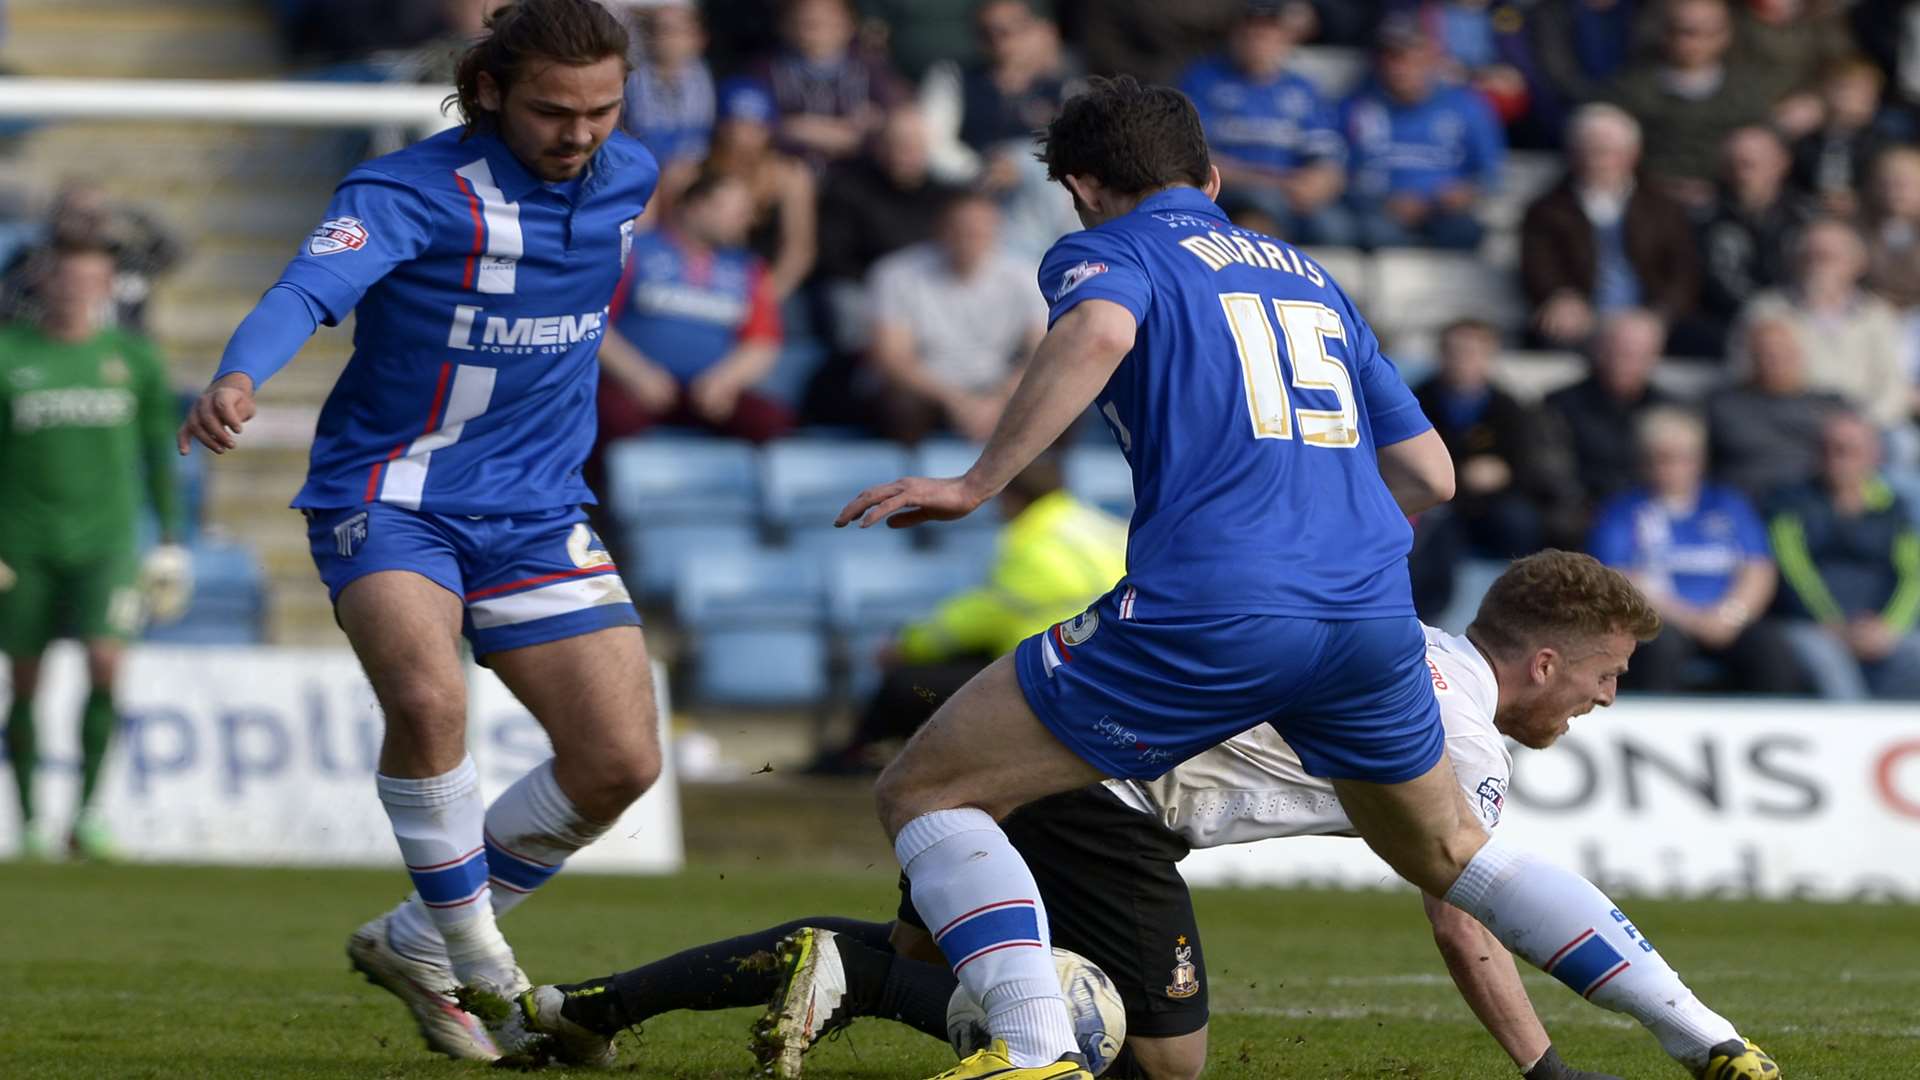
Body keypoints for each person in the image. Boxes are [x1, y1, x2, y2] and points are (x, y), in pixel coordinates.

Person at [832, 76, 1776, 1080]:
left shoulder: (1108, 249)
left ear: (1083, 187)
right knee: (1458, 852)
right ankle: (1709, 1040)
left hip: (1215, 600)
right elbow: (1432, 474)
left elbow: (1101, 333)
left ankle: (1035, 1052)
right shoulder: (1306, 273)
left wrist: (981, 480)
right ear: (1213, 174)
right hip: (1373, 613)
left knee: (929, 788)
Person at [499, 554, 1755, 1080]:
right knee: (1161, 1062)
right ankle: (860, 990)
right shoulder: (1462, 738)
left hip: (1045, 759)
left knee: (928, 961)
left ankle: (594, 1011)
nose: (1601, 702)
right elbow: (1466, 917)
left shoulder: (1408, 645)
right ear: (1544, 662)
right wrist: (1545, 1069)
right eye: (1605, 677)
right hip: (1113, 804)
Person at [176, 0, 663, 1063]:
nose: (581, 134)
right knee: (430, 696)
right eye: (553, 112)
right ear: (487, 90)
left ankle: (414, 938)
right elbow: (307, 287)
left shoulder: (632, 175)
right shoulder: (404, 192)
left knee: (620, 761)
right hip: (389, 492)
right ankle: (482, 971)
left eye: (602, 110)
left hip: (538, 508)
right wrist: (239, 375)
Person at [0, 239, 189, 861]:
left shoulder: (133, 359)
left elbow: (158, 453)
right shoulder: (9, 357)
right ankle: (29, 819)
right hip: (22, 544)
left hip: (106, 543)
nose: (79, 291)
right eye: (68, 279)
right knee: (25, 680)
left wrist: (168, 539)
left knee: (106, 664)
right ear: (47, 284)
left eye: (92, 280)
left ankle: (88, 814)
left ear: (108, 287)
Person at [810, 455, 1127, 774]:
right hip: (1110, 670)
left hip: (1051, 677)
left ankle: (866, 756)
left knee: (907, 685)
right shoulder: (1097, 525)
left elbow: (984, 615)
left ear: (1011, 496)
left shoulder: (1034, 540)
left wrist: (908, 644)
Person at [1586, 407, 1803, 695]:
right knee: (1659, 649)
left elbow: (1758, 569)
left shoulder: (1728, 505)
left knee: (1771, 649)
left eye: (1682, 458)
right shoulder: (1623, 511)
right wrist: (1693, 620)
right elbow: (1619, 579)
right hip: (1662, 623)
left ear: (1699, 461)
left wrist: (1731, 616)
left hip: (1728, 620)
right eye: (1662, 459)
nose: (1672, 468)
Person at [592, 172, 794, 452]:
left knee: (770, 420)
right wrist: (637, 375)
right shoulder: (634, 252)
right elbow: (594, 324)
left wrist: (725, 381)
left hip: (710, 393)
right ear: (697, 206)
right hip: (635, 386)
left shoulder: (748, 268)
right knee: (608, 417)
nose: (746, 221)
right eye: (736, 212)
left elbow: (762, 342)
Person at [1408, 318, 1579, 618]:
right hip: (1441, 503)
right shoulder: (1417, 401)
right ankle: (1425, 621)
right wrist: (1464, 474)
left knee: (1522, 522)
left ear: (1489, 357)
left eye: (1473, 352)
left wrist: (1505, 473)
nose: (1463, 360)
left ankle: (1524, 609)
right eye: (1455, 351)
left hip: (1496, 504)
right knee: (1434, 535)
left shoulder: (1509, 407)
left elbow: (1527, 463)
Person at [867, 192, 1045, 443]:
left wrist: (998, 399)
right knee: (899, 406)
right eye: (962, 230)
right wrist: (957, 401)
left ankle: (1040, 478)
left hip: (997, 385)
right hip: (929, 389)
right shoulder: (896, 274)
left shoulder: (1026, 276)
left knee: (1054, 399)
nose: (970, 240)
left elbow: (1040, 351)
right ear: (941, 230)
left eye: (980, 231)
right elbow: (892, 357)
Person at [1519, 103, 1699, 353]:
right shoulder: (1546, 210)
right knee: (1549, 337)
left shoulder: (1664, 208)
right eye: (1587, 151)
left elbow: (1683, 271)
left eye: (1605, 152)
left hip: (1652, 316)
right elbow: (1540, 267)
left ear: (1632, 154)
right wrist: (1560, 296)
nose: (1596, 162)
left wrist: (1659, 315)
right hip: (1583, 318)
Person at [1767, 409, 1920, 700]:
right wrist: (1835, 624)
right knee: (1827, 660)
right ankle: (1855, 736)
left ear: (1873, 456)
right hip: (1813, 625)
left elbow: (1913, 576)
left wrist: (1890, 626)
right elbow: (1794, 572)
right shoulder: (1790, 503)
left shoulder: (1894, 509)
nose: (1837, 458)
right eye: (1829, 449)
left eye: (1848, 450)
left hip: (1881, 627)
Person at [1176, 0, 1349, 243]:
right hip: (1233, 192)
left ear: (1285, 38)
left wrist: (1317, 184)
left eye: (1268, 31)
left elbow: (1329, 158)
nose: (1258, 38)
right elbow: (1193, 157)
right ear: (1235, 34)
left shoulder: (1303, 90)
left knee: (1335, 227)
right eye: (1251, 30)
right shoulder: (1203, 80)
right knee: (1260, 207)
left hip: (1294, 195)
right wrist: (1273, 183)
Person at [1340, 15, 1505, 250]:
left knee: (1466, 231)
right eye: (1391, 57)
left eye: (1409, 57)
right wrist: (1380, 201)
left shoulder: (1466, 105)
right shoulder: (1356, 106)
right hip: (1378, 211)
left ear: (1431, 58)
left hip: (1443, 212)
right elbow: (1339, 171)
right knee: (1365, 231)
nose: (1399, 68)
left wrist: (1464, 193)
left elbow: (1490, 171)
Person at [1737, 216, 1909, 434]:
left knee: (1903, 444)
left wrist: (1861, 425)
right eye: (1809, 256)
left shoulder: (1878, 315)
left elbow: (1892, 386)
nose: (1817, 265)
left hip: (1864, 427)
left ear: (1857, 264)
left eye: (1829, 257)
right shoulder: (1765, 310)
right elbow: (1742, 372)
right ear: (1794, 261)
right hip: (1786, 422)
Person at [1607, 0, 1773, 210]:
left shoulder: (1745, 93)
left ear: (1726, 35)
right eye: (1686, 31)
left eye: (1708, 32)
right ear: (1666, 32)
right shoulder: (1633, 90)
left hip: (1728, 205)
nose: (1696, 42)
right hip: (1644, 204)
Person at [1542, 308, 1678, 515]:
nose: (1626, 362)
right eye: (1619, 351)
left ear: (1654, 357)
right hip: (1585, 511)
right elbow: (1554, 473)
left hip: (1652, 511)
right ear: (1599, 350)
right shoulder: (1561, 404)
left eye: (1638, 354)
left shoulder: (1670, 409)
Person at [746, 0, 906, 171]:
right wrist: (834, 132)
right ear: (785, 25)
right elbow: (754, 126)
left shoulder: (870, 68)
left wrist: (801, 127)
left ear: (849, 25)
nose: (817, 25)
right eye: (807, 21)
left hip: (860, 172)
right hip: (789, 168)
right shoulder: (765, 70)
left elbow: (893, 116)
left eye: (828, 20)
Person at [1696, 126, 1815, 355]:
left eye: (1751, 164)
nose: (1742, 173)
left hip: (1799, 327)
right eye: (1734, 164)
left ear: (1781, 163)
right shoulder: (1702, 220)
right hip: (1724, 328)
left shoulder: (1809, 220)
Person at [1706, 314, 1848, 503]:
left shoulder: (1830, 405)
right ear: (1751, 357)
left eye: (1784, 352)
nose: (1776, 360)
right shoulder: (1722, 405)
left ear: (1799, 354)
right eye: (1766, 353)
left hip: (1812, 509)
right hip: (1744, 508)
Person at [701, 77, 818, 302]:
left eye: (755, 126)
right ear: (721, 126)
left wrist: (764, 299)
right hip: (700, 280)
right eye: (736, 125)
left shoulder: (790, 177)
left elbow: (799, 251)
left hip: (769, 284)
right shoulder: (691, 171)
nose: (744, 135)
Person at [617, 0, 715, 192]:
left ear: (696, 37)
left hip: (691, 172)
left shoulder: (706, 76)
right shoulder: (630, 79)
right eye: (660, 30)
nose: (668, 39)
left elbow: (701, 142)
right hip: (639, 169)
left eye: (676, 31)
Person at [1788, 56, 1892, 218]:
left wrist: (1859, 201)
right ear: (1826, 90)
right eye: (1848, 88)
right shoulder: (1804, 140)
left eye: (1867, 92)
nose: (1856, 99)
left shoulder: (1882, 146)